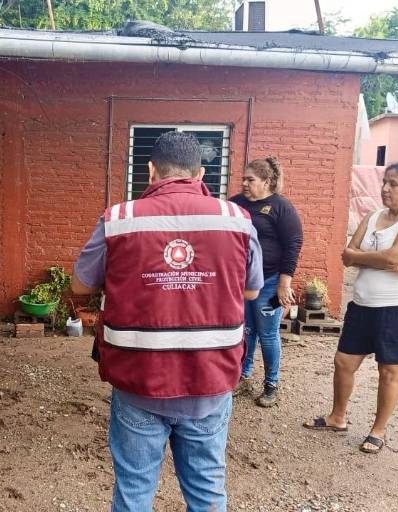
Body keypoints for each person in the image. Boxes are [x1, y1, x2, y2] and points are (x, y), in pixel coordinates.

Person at [71, 131, 263, 511]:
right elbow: (253, 291)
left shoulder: (119, 219)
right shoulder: (237, 220)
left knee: (134, 491)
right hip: (209, 381)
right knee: (207, 492)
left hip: (139, 380)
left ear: (150, 170)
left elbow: (80, 285)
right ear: (201, 173)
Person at [303, 161, 398, 454]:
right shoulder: (373, 216)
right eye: (384, 182)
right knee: (343, 362)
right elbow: (347, 256)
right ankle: (337, 417)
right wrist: (385, 260)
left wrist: (381, 258)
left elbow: (392, 255)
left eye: (393, 184)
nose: (385, 188)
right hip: (363, 305)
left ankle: (378, 430)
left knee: (389, 370)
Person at [230, 157, 303, 407]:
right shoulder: (236, 204)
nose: (244, 184)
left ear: (267, 181)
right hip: (243, 282)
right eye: (243, 179)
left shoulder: (281, 207)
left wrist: (284, 283)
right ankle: (244, 375)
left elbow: (293, 244)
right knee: (246, 330)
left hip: (271, 283)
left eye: (250, 180)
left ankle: (271, 384)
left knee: (268, 334)